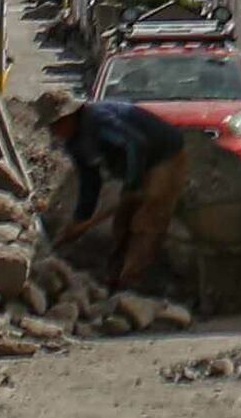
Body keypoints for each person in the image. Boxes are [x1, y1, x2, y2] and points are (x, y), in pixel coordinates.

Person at [36, 84, 190, 293]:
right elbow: (90, 180)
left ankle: (132, 284)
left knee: (147, 218)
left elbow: (135, 144)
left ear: (68, 117)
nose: (53, 132)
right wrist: (80, 219)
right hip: (137, 162)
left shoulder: (99, 121)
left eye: (54, 125)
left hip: (163, 155)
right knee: (122, 223)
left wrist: (133, 186)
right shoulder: (74, 142)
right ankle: (114, 279)